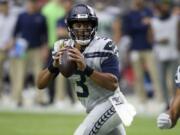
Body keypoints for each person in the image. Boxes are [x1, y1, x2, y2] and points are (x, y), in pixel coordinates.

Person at [37, 4, 136, 135]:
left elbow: (113, 84)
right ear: (70, 27)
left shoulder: (104, 45)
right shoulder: (63, 47)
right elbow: (40, 84)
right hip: (93, 108)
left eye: (86, 24)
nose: (82, 29)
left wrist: (86, 69)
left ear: (93, 26)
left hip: (113, 105)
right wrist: (53, 66)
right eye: (78, 25)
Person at [10, 0, 48, 106]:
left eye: (34, 3)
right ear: (27, 4)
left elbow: (45, 35)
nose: (32, 5)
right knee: (20, 74)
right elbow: (15, 32)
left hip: (36, 49)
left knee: (39, 75)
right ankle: (17, 99)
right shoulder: (21, 16)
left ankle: (40, 99)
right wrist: (13, 46)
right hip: (22, 49)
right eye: (30, 3)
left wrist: (44, 49)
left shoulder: (41, 17)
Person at [151, 0, 180, 109]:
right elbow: (151, 38)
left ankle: (175, 102)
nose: (164, 7)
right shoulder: (154, 21)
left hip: (173, 54)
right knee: (161, 80)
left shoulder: (175, 20)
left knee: (174, 80)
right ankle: (166, 102)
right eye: (162, 5)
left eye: (166, 5)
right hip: (160, 54)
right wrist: (159, 41)